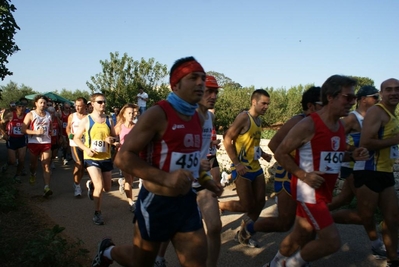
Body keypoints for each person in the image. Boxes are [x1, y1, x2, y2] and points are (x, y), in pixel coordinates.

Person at [91, 56, 223, 267]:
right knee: (140, 261)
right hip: (157, 202)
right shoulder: (158, 113)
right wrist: (166, 179)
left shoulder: (199, 118)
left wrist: (206, 179)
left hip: (186, 202)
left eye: (202, 78)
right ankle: (108, 252)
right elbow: (123, 158)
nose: (200, 83)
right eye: (193, 78)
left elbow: (191, 160)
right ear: (176, 85)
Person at [265, 75, 369, 267]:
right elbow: (280, 152)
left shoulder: (339, 125)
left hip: (323, 191)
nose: (352, 102)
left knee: (299, 234)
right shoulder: (308, 124)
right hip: (309, 193)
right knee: (332, 242)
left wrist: (354, 155)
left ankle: (275, 263)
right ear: (330, 97)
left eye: (353, 98)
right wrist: (303, 175)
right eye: (348, 97)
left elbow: (333, 155)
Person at [153, 74, 224, 267]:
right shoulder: (182, 116)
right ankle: (159, 257)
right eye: (209, 91)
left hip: (202, 181)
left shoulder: (210, 116)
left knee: (215, 227)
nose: (213, 96)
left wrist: (205, 161)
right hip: (178, 182)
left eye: (215, 92)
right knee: (169, 227)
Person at [237, 87, 322, 244]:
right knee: (284, 223)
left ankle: (302, 258)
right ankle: (249, 228)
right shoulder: (298, 121)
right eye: (323, 104)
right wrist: (294, 166)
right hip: (289, 175)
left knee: (311, 222)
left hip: (308, 178)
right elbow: (274, 144)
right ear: (311, 105)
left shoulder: (322, 124)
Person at [327, 85, 386, 257]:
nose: (378, 100)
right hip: (353, 167)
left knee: (344, 198)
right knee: (365, 212)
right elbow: (334, 139)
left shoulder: (375, 117)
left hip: (369, 168)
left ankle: (315, 214)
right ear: (363, 99)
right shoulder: (353, 118)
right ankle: (376, 244)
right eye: (375, 97)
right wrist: (353, 149)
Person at [353, 78, 399, 267]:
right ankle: (319, 218)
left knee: (393, 217)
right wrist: (395, 140)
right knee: (364, 216)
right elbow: (366, 142)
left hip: (385, 172)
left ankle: (393, 259)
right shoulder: (376, 112)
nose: (393, 93)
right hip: (369, 171)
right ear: (381, 93)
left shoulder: (392, 114)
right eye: (388, 89)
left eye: (397, 89)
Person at [218, 89, 272, 248]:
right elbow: (228, 139)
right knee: (247, 205)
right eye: (264, 103)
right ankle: (219, 206)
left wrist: (263, 154)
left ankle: (243, 234)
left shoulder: (259, 121)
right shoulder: (244, 117)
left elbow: (252, 145)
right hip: (242, 169)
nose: (266, 107)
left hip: (256, 168)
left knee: (260, 202)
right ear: (254, 102)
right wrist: (237, 163)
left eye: (268, 104)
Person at [73, 93, 118, 225]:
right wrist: (86, 149)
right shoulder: (87, 120)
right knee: (100, 186)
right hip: (91, 158)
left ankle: (91, 185)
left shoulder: (109, 120)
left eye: (104, 102)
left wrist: (112, 141)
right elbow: (76, 138)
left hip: (106, 157)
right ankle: (97, 213)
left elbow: (115, 138)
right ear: (92, 104)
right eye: (99, 102)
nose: (103, 104)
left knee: (107, 188)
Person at [22, 95, 53, 197]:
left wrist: (51, 132)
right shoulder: (30, 114)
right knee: (33, 165)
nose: (43, 105)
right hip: (34, 143)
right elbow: (23, 130)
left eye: (45, 103)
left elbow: (51, 127)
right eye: (41, 102)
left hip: (46, 143)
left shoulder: (48, 115)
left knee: (46, 165)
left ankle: (46, 187)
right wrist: (35, 132)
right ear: (36, 103)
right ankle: (33, 173)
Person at [115, 103, 138, 212]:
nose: (131, 115)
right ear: (124, 114)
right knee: (129, 179)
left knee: (131, 180)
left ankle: (122, 183)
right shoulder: (120, 126)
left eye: (133, 113)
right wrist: (114, 142)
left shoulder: (136, 126)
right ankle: (131, 202)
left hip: (134, 156)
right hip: (123, 156)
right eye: (129, 113)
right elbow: (110, 136)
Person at [1, 101, 28, 181]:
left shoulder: (26, 116)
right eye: (19, 107)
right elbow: (1, 123)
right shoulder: (11, 115)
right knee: (12, 161)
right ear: (16, 107)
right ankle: (7, 164)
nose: (21, 108)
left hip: (22, 139)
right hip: (12, 139)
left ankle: (17, 175)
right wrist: (4, 133)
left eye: (23, 107)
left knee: (21, 159)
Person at [66, 97, 88, 197]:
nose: (77, 108)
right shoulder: (72, 116)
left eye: (80, 106)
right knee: (79, 163)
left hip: (85, 144)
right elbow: (68, 127)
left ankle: (76, 182)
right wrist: (69, 134)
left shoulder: (88, 117)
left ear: (85, 106)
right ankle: (77, 186)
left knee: (82, 167)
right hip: (74, 143)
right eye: (76, 106)